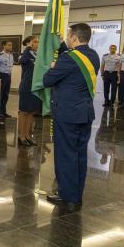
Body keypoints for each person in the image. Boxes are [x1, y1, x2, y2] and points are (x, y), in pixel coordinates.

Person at [44, 23, 100, 209]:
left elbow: (47, 80)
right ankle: (76, 195)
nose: (67, 39)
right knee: (79, 156)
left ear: (75, 38)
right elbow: (75, 67)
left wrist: (52, 66)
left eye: (69, 37)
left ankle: (67, 197)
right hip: (84, 114)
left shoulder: (68, 59)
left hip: (67, 115)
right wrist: (60, 46)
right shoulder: (93, 56)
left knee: (65, 155)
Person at [18, 36, 41, 147]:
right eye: (35, 42)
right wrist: (27, 49)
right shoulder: (25, 54)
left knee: (31, 112)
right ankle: (21, 136)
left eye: (37, 42)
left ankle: (27, 135)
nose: (37, 44)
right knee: (24, 112)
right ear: (28, 43)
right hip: (26, 86)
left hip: (35, 86)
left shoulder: (37, 55)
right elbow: (22, 61)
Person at [0, 40, 14, 118]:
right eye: (9, 45)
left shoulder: (11, 55)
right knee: (0, 95)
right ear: (4, 46)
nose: (10, 47)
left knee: (5, 95)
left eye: (11, 45)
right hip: (1, 76)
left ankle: (3, 111)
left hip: (8, 76)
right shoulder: (0, 55)